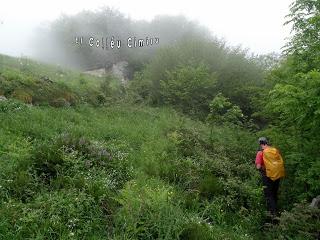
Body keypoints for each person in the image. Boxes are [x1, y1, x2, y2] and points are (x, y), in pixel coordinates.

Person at [255, 137, 285, 218]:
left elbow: (258, 167)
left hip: (267, 176)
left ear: (260, 144)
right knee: (274, 194)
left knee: (269, 195)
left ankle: (272, 216)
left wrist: (261, 167)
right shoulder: (274, 150)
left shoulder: (260, 153)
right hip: (277, 175)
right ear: (267, 143)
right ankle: (277, 213)